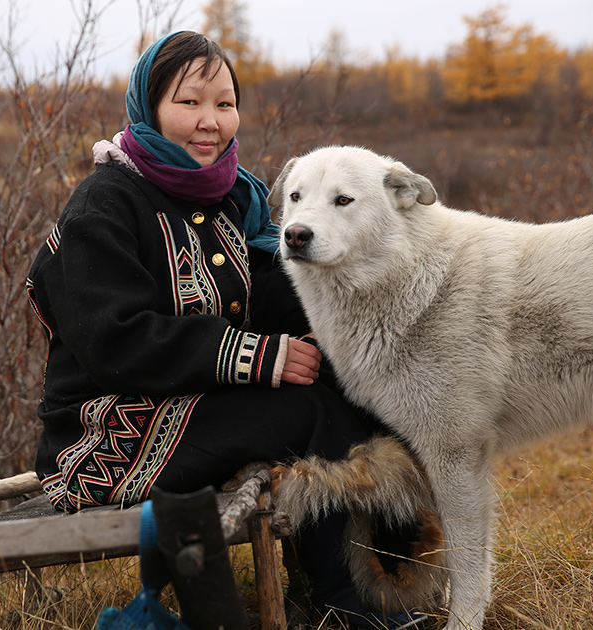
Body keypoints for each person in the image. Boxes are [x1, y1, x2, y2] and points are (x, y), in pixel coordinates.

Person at [26, 31, 429, 630]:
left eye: (223, 103)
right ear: (148, 108)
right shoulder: (105, 206)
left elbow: (267, 293)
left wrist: (368, 314)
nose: (210, 122)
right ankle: (347, 603)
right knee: (302, 409)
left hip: (193, 404)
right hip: (111, 434)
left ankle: (406, 572)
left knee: (353, 385)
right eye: (189, 103)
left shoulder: (222, 200)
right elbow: (116, 341)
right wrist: (254, 357)